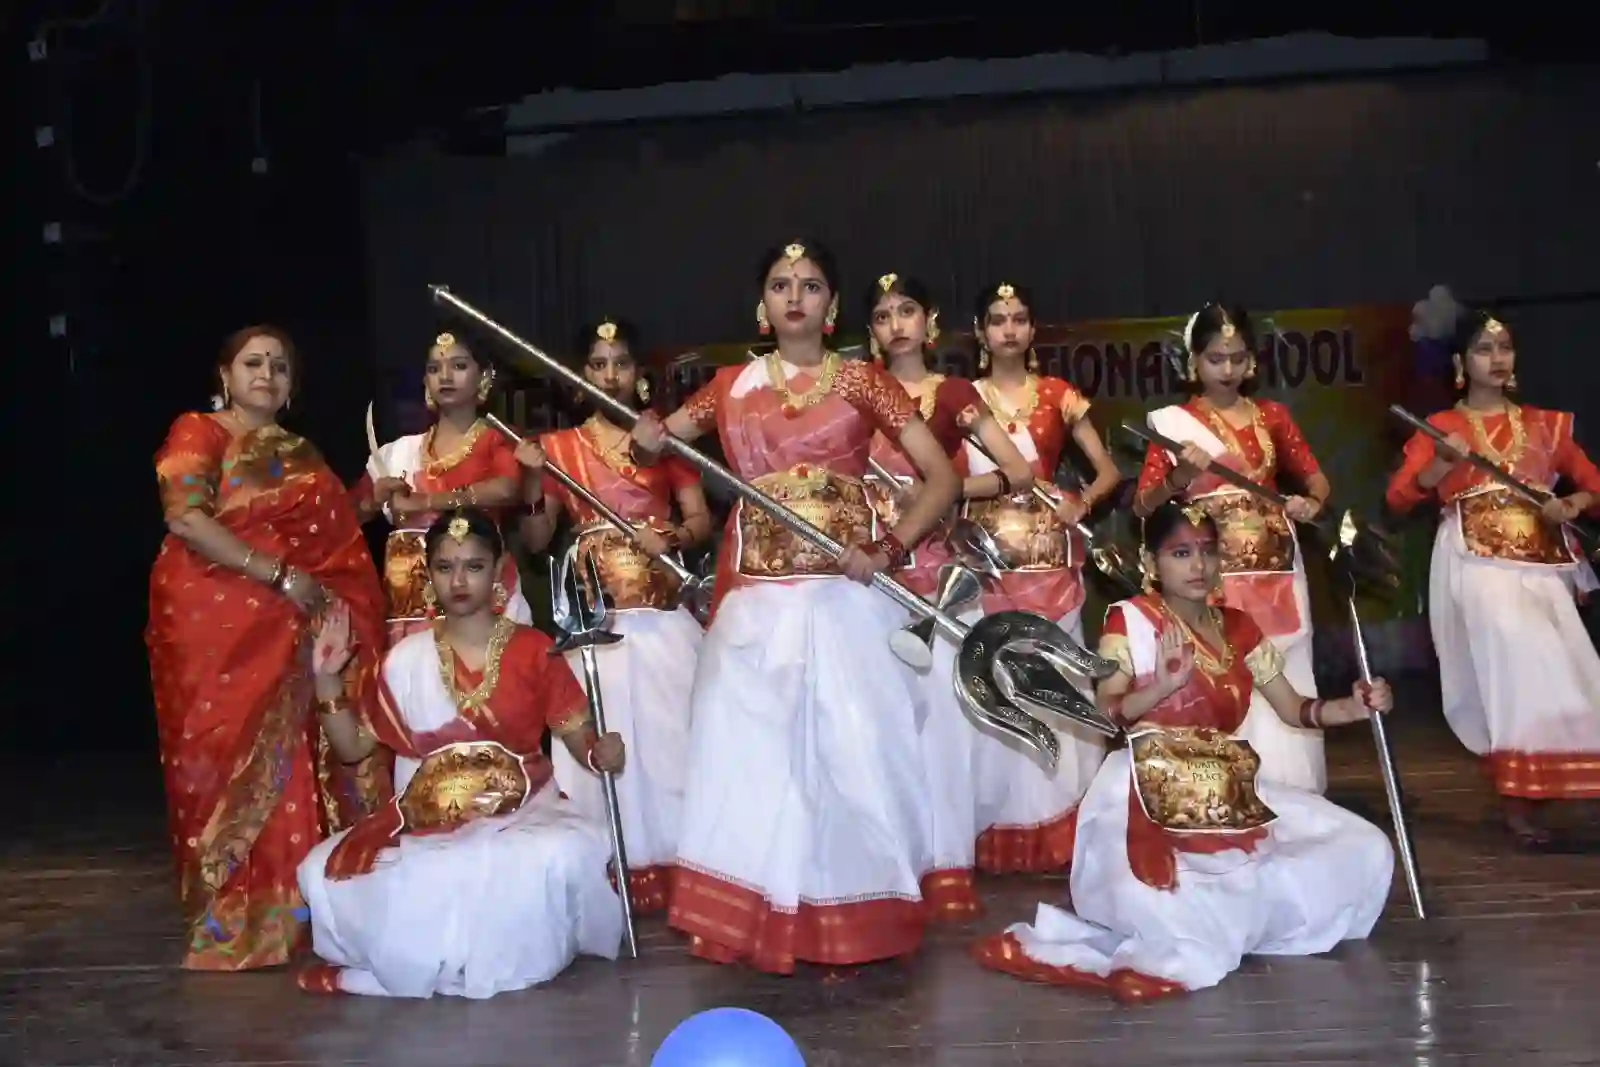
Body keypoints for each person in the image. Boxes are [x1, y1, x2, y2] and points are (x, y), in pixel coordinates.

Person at [629, 238, 962, 973]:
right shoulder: (729, 388)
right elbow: (654, 446)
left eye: (810, 285)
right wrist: (648, 438)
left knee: (854, 756)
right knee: (755, 762)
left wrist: (889, 547)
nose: (794, 297)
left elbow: (941, 477)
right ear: (762, 305)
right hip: (756, 605)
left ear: (832, 305)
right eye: (780, 285)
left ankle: (852, 913)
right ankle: (755, 915)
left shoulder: (865, 382)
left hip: (845, 601)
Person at [972, 501, 1395, 1002]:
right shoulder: (1129, 620)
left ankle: (1242, 919)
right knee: (1182, 920)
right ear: (1150, 563)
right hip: (1146, 792)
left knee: (1365, 848)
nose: (1198, 565)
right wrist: (1163, 685)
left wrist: (1354, 706)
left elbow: (1297, 709)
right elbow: (1109, 712)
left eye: (1208, 551)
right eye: (1180, 553)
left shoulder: (1239, 627)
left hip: (1228, 789)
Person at [296, 509, 627, 998]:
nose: (458, 581)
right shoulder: (405, 660)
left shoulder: (534, 650)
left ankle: (455, 960)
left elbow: (581, 739)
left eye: (473, 566)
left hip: (521, 814)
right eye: (445, 567)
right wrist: (326, 679)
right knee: (321, 869)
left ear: (498, 571)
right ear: (427, 575)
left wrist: (603, 752)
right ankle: (448, 960)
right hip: (424, 821)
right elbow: (351, 749)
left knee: (546, 856)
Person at [146, 324, 390, 971]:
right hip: (208, 626)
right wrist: (279, 575)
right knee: (217, 763)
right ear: (225, 375)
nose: (267, 374)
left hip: (288, 624)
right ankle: (229, 920)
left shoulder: (298, 454)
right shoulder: (198, 432)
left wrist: (370, 503)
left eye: (280, 366)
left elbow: (328, 533)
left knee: (292, 766)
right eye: (252, 363)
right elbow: (185, 516)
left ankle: (293, 916)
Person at [517, 316, 712, 913]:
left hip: (662, 618)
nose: (610, 375)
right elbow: (535, 539)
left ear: (639, 374)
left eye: (621, 363)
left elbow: (700, 519)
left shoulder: (663, 439)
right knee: (599, 746)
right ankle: (608, 875)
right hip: (593, 625)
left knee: (673, 746)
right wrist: (531, 479)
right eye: (598, 365)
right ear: (581, 376)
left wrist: (672, 536)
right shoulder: (558, 449)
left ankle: (685, 869)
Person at [1386, 308, 1600, 848]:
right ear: (1461, 363)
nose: (1497, 358)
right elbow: (1399, 497)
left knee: (1567, 666)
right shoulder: (1443, 426)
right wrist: (1440, 462)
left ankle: (1548, 782)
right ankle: (1517, 799)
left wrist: (1571, 504)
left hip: (1541, 564)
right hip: (1476, 564)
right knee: (1511, 669)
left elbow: (1593, 485)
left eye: (1504, 347)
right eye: (1484, 349)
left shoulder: (1546, 425)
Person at [861, 270, 1036, 918]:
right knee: (880, 727)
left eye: (907, 310)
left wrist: (944, 490)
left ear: (930, 322)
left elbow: (1017, 472)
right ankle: (890, 864)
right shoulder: (854, 392)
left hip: (940, 579)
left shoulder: (954, 394)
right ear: (870, 331)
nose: (897, 324)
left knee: (943, 729)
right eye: (883, 315)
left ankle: (948, 864)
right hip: (871, 579)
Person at [1133, 303, 1331, 793]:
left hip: (1275, 571)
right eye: (1216, 359)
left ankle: (1293, 793)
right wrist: (1180, 475)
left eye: (1237, 358)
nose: (1227, 369)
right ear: (1194, 361)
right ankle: (1227, 793)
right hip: (1211, 576)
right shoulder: (1174, 424)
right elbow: (1142, 505)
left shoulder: (1273, 416)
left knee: (1285, 670)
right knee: (1224, 674)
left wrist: (1310, 502)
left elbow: (1316, 479)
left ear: (1252, 361)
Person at [965, 281, 1121, 873]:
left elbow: (1107, 471)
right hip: (985, 563)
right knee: (997, 682)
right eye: (997, 319)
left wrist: (1083, 502)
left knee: (1057, 681)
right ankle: (1000, 823)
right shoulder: (964, 399)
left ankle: (1066, 817)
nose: (1009, 329)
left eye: (1019, 319)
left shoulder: (1059, 396)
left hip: (1051, 561)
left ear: (1032, 329)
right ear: (980, 332)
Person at [354, 332, 531, 641]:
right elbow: (342, 518)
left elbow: (505, 489)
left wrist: (424, 502)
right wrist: (372, 501)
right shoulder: (398, 452)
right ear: (426, 380)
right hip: (409, 611)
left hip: (483, 605)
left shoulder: (500, 439)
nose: (445, 377)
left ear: (484, 376)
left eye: (458, 366)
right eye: (435, 368)